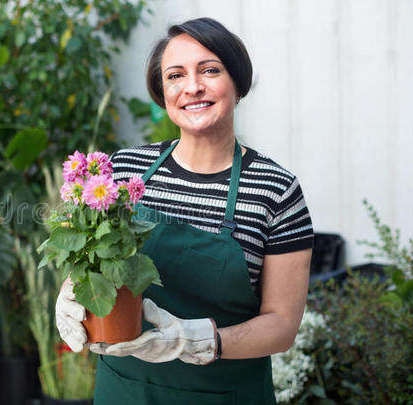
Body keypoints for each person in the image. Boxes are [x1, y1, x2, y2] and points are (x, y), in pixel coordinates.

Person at [55, 17, 313, 404]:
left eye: (210, 70)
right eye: (175, 75)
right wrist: (69, 295)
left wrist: (201, 342)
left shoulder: (275, 190)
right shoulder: (123, 172)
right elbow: (92, 259)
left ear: (237, 83)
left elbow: (282, 325)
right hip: (125, 391)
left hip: (224, 393)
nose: (192, 87)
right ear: (162, 91)